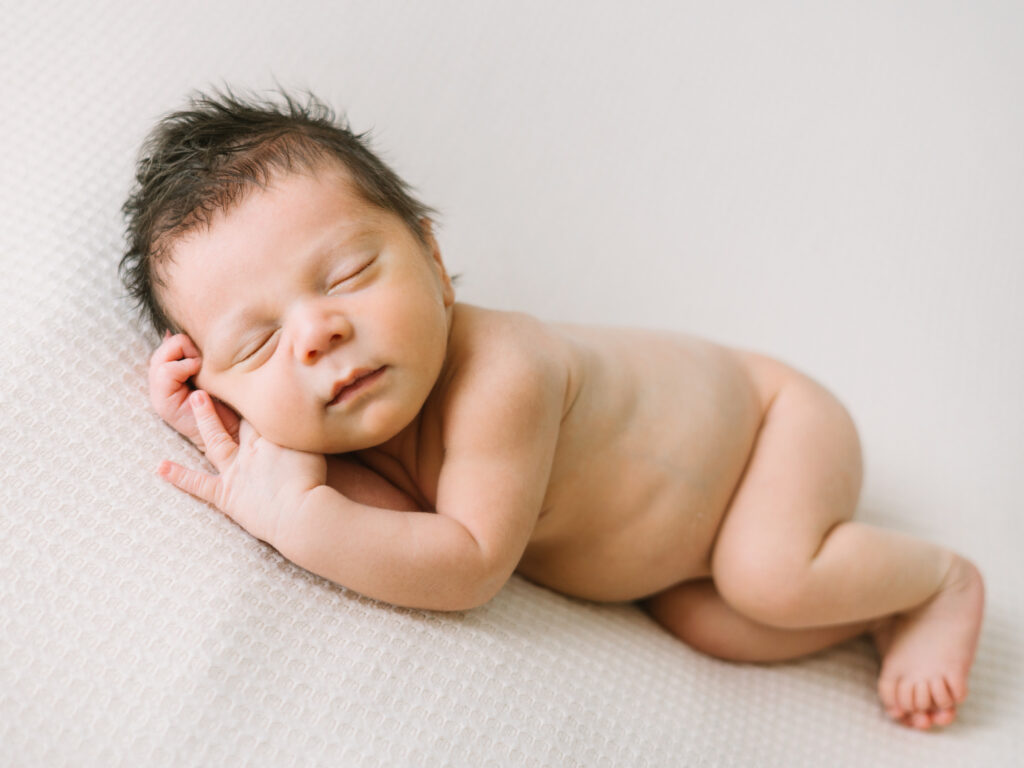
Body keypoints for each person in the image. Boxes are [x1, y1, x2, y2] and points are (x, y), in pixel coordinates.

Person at [120, 89, 984, 732]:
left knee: (768, 575)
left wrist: (290, 517)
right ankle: (876, 607)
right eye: (258, 344)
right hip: (680, 568)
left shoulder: (505, 371)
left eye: (347, 274)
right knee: (717, 622)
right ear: (217, 382)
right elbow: (384, 534)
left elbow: (465, 565)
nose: (317, 334)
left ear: (431, 257)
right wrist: (231, 439)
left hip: (773, 428)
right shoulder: (349, 425)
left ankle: (941, 581)